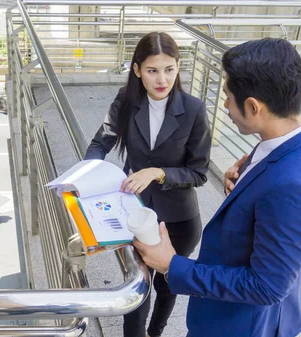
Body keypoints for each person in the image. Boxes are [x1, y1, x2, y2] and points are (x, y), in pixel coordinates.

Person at [133, 38, 301, 337]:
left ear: (253, 106)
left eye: (227, 97)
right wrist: (247, 175)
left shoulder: (292, 185)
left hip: (239, 325)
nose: (223, 105)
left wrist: (173, 265)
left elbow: (267, 286)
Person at [84, 32, 211, 337]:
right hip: (136, 213)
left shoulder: (193, 109)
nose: (162, 79)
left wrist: (157, 172)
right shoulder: (126, 102)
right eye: (153, 70)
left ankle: (157, 332)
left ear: (178, 66)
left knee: (167, 286)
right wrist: (86, 172)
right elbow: (101, 143)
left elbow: (199, 173)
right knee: (137, 289)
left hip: (179, 219)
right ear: (137, 69)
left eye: (169, 69)